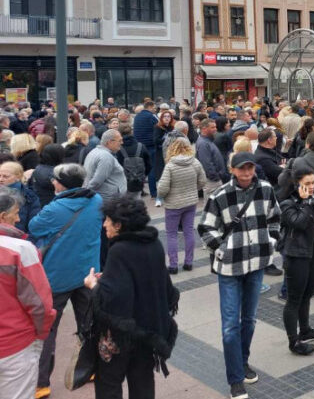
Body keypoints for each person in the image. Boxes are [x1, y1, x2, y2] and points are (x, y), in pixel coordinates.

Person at [198, 152, 281, 399]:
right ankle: (235, 379)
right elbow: (205, 227)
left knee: (250, 319)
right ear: (232, 170)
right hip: (230, 268)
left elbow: (275, 217)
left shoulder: (265, 189)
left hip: (256, 263)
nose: (246, 173)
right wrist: (221, 248)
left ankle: (242, 362)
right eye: (241, 169)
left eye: (249, 168)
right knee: (230, 325)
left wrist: (271, 241)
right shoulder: (220, 195)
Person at [84, 195, 179, 399]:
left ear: (118, 225)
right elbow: (164, 289)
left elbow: (112, 301)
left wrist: (94, 286)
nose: (104, 225)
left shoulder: (119, 249)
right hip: (148, 333)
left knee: (108, 383)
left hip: (121, 336)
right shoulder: (154, 244)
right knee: (143, 383)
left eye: (107, 220)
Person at [29, 163, 102, 398]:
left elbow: (34, 227)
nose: (52, 182)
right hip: (87, 272)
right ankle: (91, 368)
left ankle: (42, 383)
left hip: (57, 277)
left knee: (48, 329)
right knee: (89, 324)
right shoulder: (97, 200)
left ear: (61, 183)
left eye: (55, 179)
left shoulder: (56, 207)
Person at [0, 188, 55, 399]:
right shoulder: (21, 249)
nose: (18, 218)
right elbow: (39, 302)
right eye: (15, 213)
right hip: (15, 342)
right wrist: (41, 333)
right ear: (3, 216)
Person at [278, 167, 314, 356]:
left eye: (313, 182)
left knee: (308, 293)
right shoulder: (286, 203)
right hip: (296, 254)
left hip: (313, 251)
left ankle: (305, 330)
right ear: (297, 184)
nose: (312, 186)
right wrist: (306, 203)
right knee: (294, 299)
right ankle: (293, 341)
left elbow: (312, 223)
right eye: (307, 183)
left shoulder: (313, 200)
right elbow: (297, 222)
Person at [158, 137, 207, 274]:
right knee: (189, 231)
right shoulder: (195, 162)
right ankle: (188, 262)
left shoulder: (170, 166)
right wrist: (193, 189)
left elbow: (162, 188)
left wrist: (163, 196)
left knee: (171, 234)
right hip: (191, 202)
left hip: (173, 203)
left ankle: (173, 265)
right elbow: (203, 181)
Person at [0, 161, 40, 233]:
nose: (1, 179)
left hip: (18, 237)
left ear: (18, 177)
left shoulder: (29, 196)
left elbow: (34, 223)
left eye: (5, 176)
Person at [28, 143, 64, 208]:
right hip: (53, 205)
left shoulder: (37, 169)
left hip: (39, 205)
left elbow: (30, 186)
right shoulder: (56, 174)